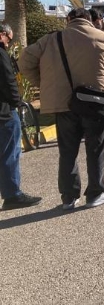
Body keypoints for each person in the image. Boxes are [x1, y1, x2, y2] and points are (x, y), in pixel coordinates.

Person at [19, 8, 104, 209]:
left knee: (67, 151)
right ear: (89, 20)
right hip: (95, 102)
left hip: (64, 103)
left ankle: (69, 197)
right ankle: (95, 193)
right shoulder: (101, 37)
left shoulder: (51, 39)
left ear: (69, 20)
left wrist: (43, 83)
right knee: (96, 149)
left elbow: (25, 60)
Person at [0, 24, 42, 210]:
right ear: (3, 35)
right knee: (10, 153)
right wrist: (17, 102)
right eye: (9, 38)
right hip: (4, 112)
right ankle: (12, 194)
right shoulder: (1, 54)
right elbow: (9, 81)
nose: (9, 42)